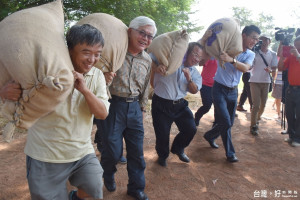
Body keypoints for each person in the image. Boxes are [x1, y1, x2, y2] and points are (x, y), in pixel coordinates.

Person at [23, 24, 110, 200]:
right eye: (86, 52)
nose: (92, 59)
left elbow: (102, 113)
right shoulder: (45, 72)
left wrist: (84, 90)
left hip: (81, 152)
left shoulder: (97, 75)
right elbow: (17, 91)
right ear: (69, 50)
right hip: (45, 154)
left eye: (97, 53)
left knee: (93, 190)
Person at [96, 16, 157, 200]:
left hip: (135, 109)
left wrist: (143, 109)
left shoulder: (147, 60)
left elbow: (146, 85)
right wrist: (103, 78)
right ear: (130, 31)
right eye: (142, 33)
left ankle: (136, 188)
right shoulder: (114, 53)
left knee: (137, 153)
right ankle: (108, 173)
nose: (145, 38)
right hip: (112, 106)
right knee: (112, 151)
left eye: (150, 36)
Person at [203, 25, 261, 162]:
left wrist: (232, 60)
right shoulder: (227, 46)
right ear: (244, 35)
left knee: (229, 122)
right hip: (218, 89)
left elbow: (245, 68)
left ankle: (210, 135)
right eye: (253, 38)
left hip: (233, 91)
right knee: (226, 121)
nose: (255, 41)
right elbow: (209, 49)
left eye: (257, 40)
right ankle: (230, 153)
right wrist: (207, 37)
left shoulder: (250, 54)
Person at [150, 42, 203, 167]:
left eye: (199, 57)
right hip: (161, 104)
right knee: (162, 134)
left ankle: (178, 149)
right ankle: (162, 156)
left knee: (190, 129)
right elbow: (149, 56)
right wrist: (156, 67)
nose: (196, 59)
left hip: (180, 105)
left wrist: (188, 77)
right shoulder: (168, 62)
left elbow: (194, 90)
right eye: (194, 54)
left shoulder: (194, 72)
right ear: (186, 52)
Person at [249, 34, 278, 136]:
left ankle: (257, 118)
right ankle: (253, 126)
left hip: (266, 82)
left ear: (270, 41)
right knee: (256, 104)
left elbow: (274, 67)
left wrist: (271, 70)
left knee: (263, 105)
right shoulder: (254, 52)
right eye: (262, 40)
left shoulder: (273, 54)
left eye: (266, 40)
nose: (264, 42)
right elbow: (250, 65)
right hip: (254, 81)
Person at [278, 36, 300, 147]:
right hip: (290, 88)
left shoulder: (296, 55)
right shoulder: (291, 57)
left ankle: (297, 138)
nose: (296, 47)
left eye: (298, 45)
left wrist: (298, 56)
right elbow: (281, 68)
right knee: (289, 114)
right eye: (295, 45)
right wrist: (282, 56)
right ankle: (291, 136)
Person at [194, 31, 218, 127]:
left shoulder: (222, 56)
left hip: (217, 86)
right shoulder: (208, 54)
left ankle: (216, 124)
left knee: (218, 107)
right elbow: (200, 63)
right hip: (205, 85)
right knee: (207, 105)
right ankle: (197, 116)